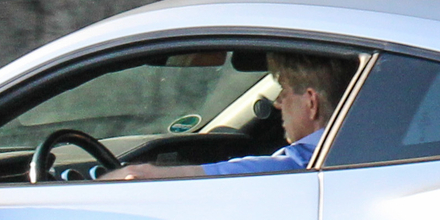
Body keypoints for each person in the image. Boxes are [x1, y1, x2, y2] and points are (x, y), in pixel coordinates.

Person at [103, 52, 352, 180]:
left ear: (311, 102)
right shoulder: (357, 153)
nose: (277, 104)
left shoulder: (297, 166)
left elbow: (138, 178)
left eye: (283, 93)